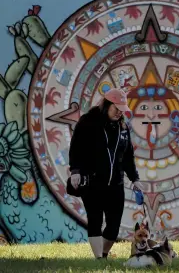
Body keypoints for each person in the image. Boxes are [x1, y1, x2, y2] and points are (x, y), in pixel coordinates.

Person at [68, 88, 144, 260]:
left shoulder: (123, 127)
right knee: (95, 220)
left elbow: (128, 156)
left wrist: (135, 179)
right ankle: (99, 260)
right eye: (116, 108)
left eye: (121, 109)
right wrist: (75, 171)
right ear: (106, 105)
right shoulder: (87, 121)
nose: (119, 112)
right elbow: (76, 149)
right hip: (92, 181)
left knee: (113, 226)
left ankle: (103, 253)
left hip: (115, 184)